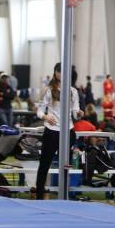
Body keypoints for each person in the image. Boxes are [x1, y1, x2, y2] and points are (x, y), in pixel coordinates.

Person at [35, 62, 82, 200]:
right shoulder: (48, 90)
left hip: (68, 131)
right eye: (58, 71)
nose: (61, 74)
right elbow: (39, 110)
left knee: (66, 166)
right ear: (55, 72)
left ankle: (64, 196)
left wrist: (79, 113)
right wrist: (45, 116)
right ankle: (39, 196)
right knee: (44, 164)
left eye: (63, 71)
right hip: (51, 131)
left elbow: (74, 112)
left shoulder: (73, 91)